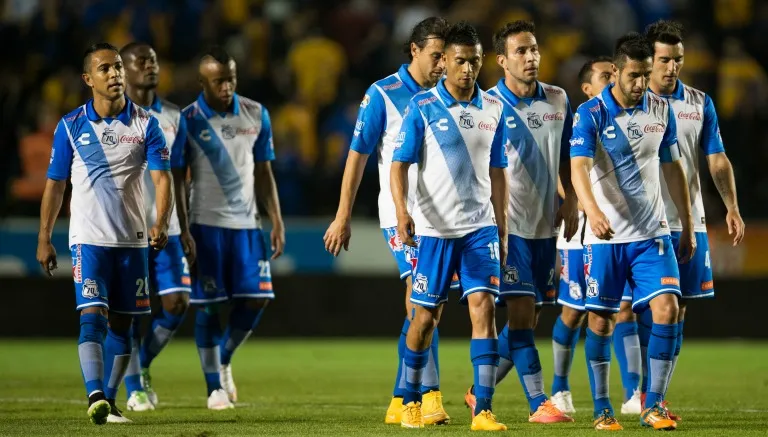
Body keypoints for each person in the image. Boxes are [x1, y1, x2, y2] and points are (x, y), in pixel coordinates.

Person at [322, 17, 451, 425]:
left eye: (446, 58)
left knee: (431, 309)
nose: (443, 66)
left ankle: (402, 397)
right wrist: (342, 215)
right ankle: (425, 395)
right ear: (413, 50)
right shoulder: (383, 94)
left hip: (443, 218)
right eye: (435, 57)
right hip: (401, 217)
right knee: (420, 302)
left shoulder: (449, 95)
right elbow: (356, 158)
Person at [36, 42, 172, 424]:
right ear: (88, 79)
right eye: (105, 69)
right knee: (92, 316)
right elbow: (55, 185)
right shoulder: (70, 125)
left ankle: (108, 403)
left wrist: (161, 221)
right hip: (89, 239)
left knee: (124, 324)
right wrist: (44, 236)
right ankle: (95, 393)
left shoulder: (146, 123)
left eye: (117, 68)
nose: (114, 74)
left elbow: (163, 179)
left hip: (132, 240)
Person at [570, 32, 695, 431]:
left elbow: (674, 168)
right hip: (606, 237)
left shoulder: (661, 108)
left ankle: (652, 404)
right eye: (635, 75)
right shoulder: (591, 113)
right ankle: (602, 409)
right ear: (617, 73)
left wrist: (687, 223)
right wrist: (591, 209)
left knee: (669, 308)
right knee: (601, 322)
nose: (642, 83)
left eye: (646, 74)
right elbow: (578, 167)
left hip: (651, 234)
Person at [391, 21, 509, 431]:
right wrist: (402, 212)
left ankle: (484, 410)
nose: (468, 70)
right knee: (424, 319)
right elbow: (398, 164)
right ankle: (409, 399)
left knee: (485, 309)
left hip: (480, 229)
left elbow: (498, 173)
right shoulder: (423, 106)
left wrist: (503, 227)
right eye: (460, 61)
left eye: (475, 62)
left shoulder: (493, 108)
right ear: (444, 60)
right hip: (435, 231)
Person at [464, 20, 577, 424]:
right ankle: (538, 404)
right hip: (509, 230)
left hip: (546, 227)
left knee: (530, 317)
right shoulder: (487, 106)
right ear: (501, 60)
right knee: (521, 314)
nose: (531, 58)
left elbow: (569, 156)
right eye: (520, 52)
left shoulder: (560, 100)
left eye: (534, 50)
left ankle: (479, 391)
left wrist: (572, 199)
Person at [640, 19, 745, 417]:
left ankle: (655, 394)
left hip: (690, 221)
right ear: (649, 60)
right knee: (647, 308)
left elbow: (716, 159)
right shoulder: (631, 101)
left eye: (677, 60)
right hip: (642, 223)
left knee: (678, 309)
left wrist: (731, 206)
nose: (672, 68)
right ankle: (642, 394)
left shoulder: (699, 102)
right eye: (664, 59)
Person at [183, 46, 285, 410]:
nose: (225, 87)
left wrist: (276, 219)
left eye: (230, 79)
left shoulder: (257, 113)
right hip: (205, 224)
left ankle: (223, 359)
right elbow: (179, 178)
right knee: (208, 307)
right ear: (202, 82)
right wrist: (182, 228)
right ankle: (214, 388)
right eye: (217, 81)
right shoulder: (189, 119)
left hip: (247, 224)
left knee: (257, 299)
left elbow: (264, 171)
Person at [550, 56, 645, 415]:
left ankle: (632, 393)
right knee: (574, 312)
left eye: (614, 74)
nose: (613, 80)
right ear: (587, 87)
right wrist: (571, 202)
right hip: (580, 228)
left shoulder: (624, 115)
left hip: (618, 227)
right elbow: (563, 165)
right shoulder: (578, 118)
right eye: (605, 76)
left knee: (624, 308)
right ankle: (559, 388)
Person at [120, 42, 195, 412]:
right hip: (128, 231)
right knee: (132, 310)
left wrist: (186, 224)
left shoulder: (174, 115)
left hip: (170, 229)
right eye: (141, 61)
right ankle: (133, 387)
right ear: (124, 69)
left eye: (153, 60)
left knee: (178, 302)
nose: (150, 66)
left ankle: (142, 363)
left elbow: (179, 175)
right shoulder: (116, 116)